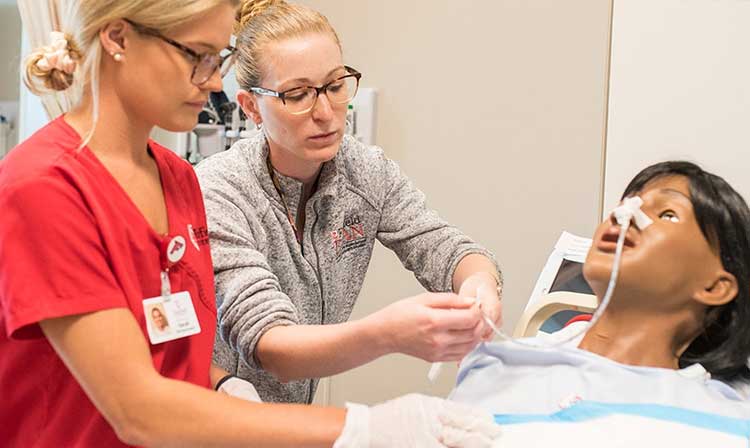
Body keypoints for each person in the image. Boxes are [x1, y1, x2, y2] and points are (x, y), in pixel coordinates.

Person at [0, 1, 502, 446]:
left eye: (217, 59)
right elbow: (138, 411)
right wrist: (365, 428)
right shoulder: (46, 186)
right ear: (118, 38)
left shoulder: (174, 178)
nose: (214, 80)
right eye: (197, 55)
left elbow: (168, 340)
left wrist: (219, 381)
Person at [196, 0, 504, 404]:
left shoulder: (363, 172)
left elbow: (446, 248)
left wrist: (479, 284)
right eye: (297, 94)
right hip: (219, 421)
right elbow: (272, 347)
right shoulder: (219, 192)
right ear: (252, 106)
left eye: (335, 86)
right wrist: (387, 333)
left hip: (293, 421)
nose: (326, 112)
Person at [450, 161, 750, 444]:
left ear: (715, 287)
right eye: (625, 205)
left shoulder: (724, 417)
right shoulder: (496, 370)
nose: (626, 215)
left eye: (667, 214)